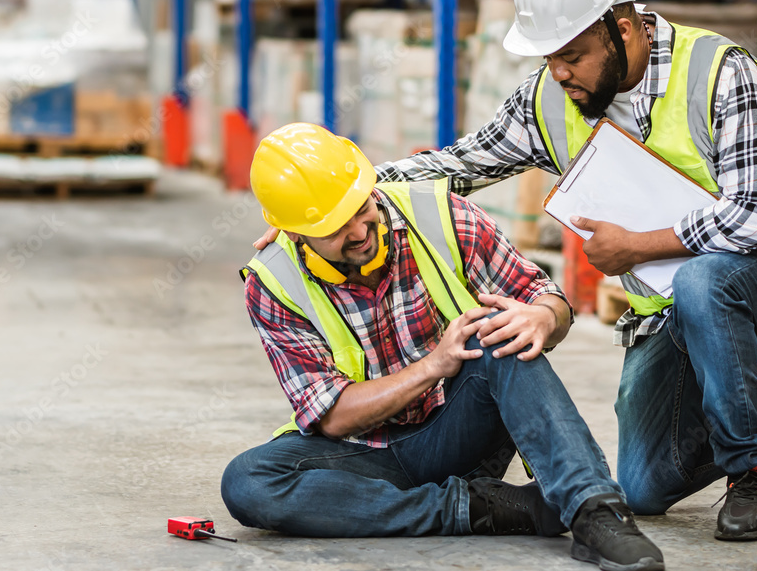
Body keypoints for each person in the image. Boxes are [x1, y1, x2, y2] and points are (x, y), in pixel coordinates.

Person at [255, 0, 757, 542]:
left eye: (572, 55)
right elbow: (458, 165)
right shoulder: (550, 99)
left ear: (621, 29)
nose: (559, 73)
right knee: (643, 485)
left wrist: (639, 246)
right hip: (668, 305)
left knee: (704, 281)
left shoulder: (717, 72)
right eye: (549, 59)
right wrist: (332, 205)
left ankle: (753, 471)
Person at [222, 122, 665, 571]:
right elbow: (332, 416)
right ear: (295, 233)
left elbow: (544, 297)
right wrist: (434, 365)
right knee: (248, 482)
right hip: (362, 454)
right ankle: (483, 509)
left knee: (497, 330)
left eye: (360, 208)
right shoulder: (273, 283)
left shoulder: (443, 217)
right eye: (335, 228)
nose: (358, 231)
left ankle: (596, 511)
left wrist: (546, 315)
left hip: (456, 435)